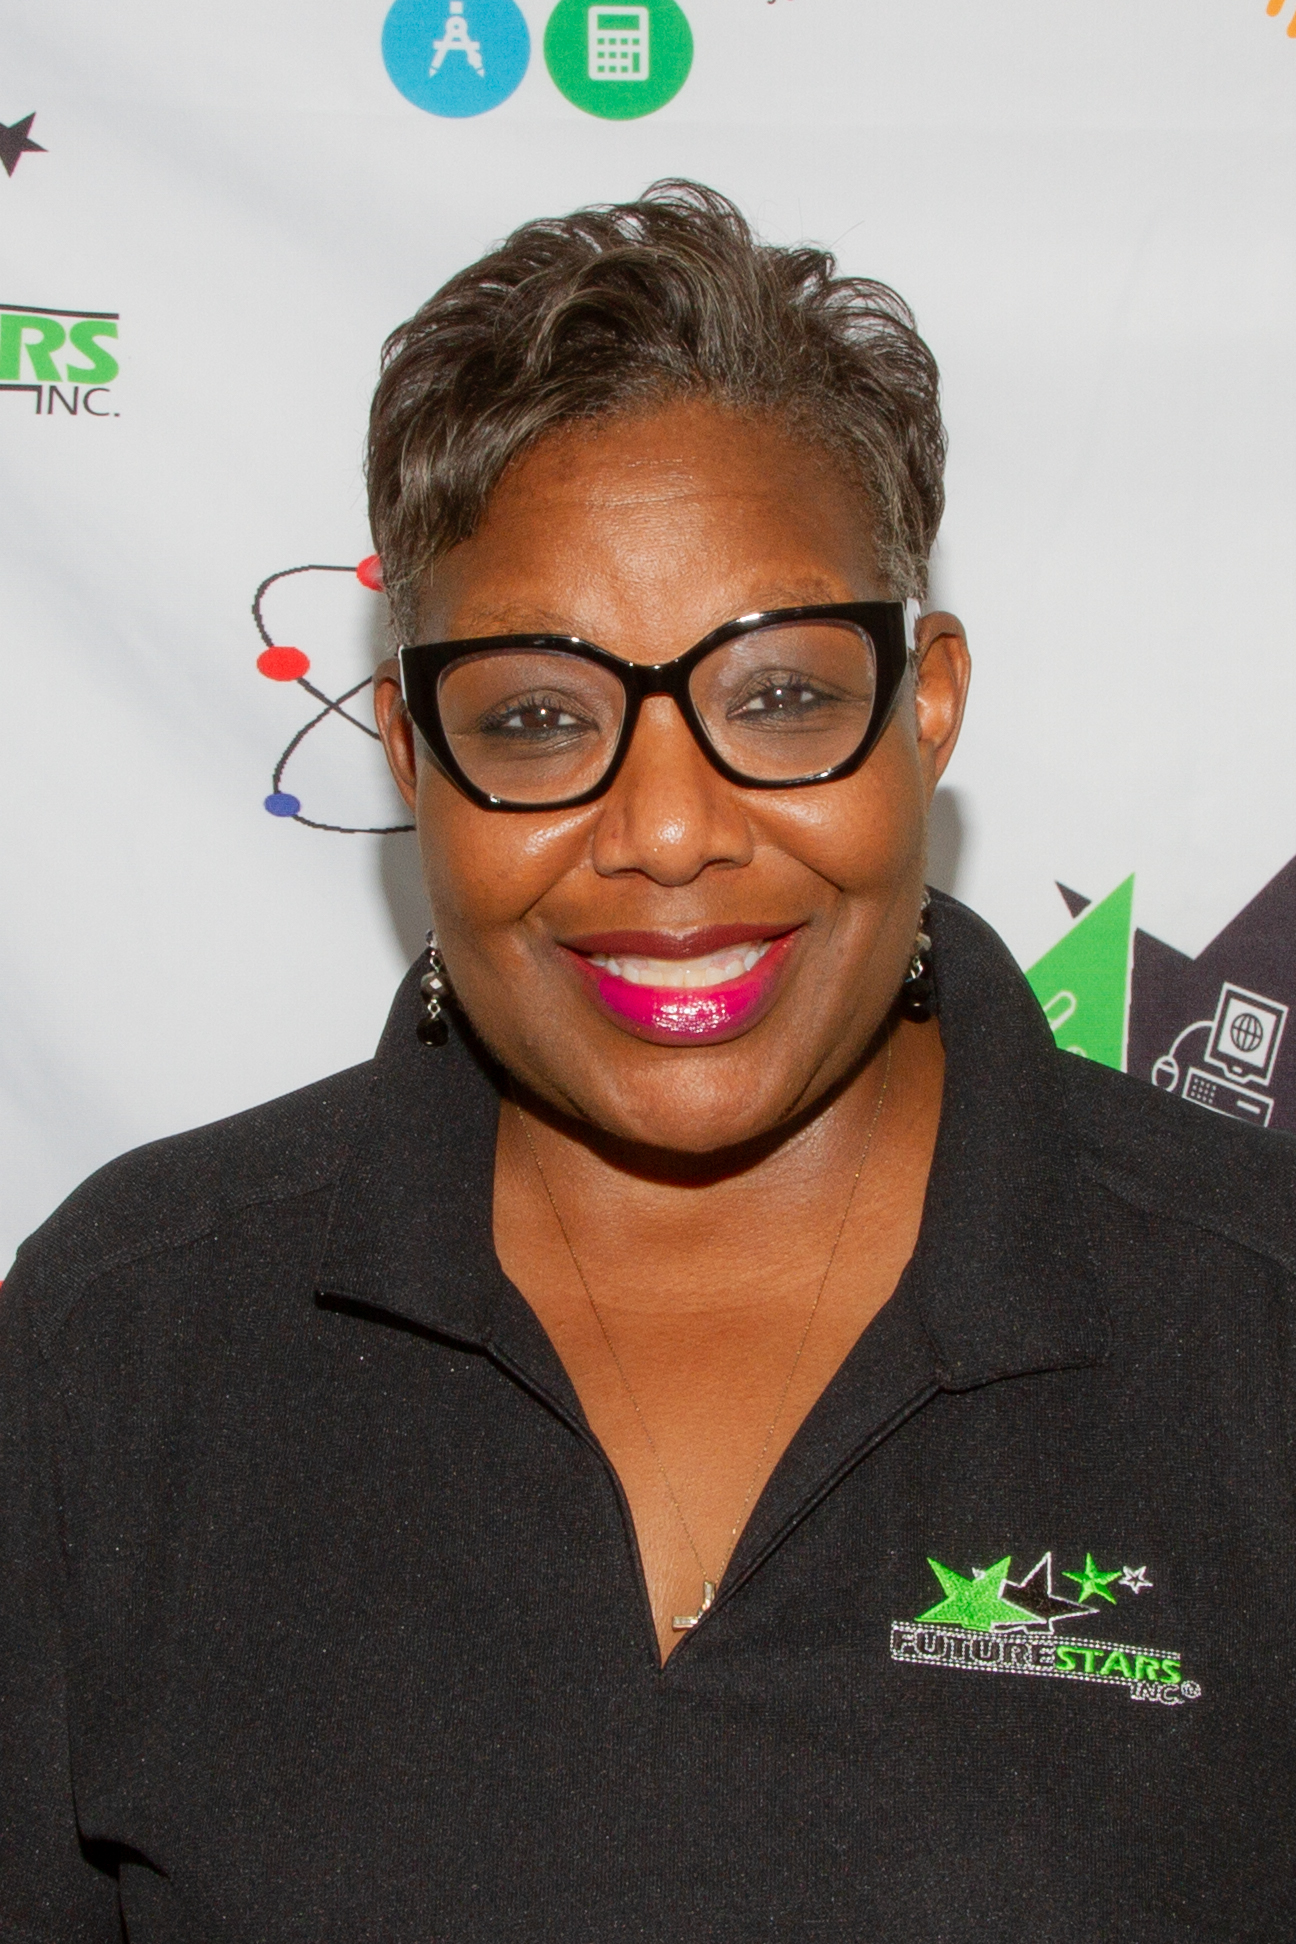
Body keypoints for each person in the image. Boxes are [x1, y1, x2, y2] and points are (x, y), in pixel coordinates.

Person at [2, 181, 1294, 1943]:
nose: (670, 830)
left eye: (779, 697)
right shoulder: (121, 1342)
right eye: (540, 718)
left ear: (925, 707)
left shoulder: (1256, 1320)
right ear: (410, 751)